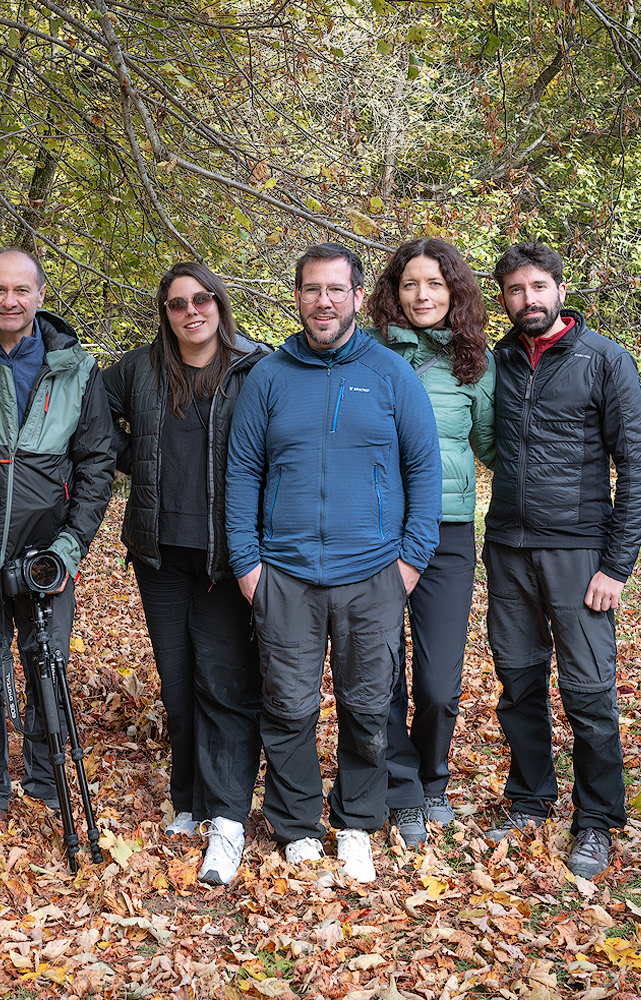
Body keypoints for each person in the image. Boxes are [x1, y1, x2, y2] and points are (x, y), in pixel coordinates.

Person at [225, 243, 442, 883]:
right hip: (284, 573)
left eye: (335, 290)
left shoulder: (390, 373)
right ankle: (296, 826)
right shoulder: (269, 376)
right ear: (298, 297)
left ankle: (356, 822)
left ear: (354, 296)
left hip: (374, 573)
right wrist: (247, 565)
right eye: (311, 289)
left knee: (367, 704)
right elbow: (241, 472)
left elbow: (424, 470)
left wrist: (410, 562)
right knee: (288, 705)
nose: (324, 301)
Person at [481, 241, 641, 881]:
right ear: (503, 298)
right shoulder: (496, 359)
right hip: (507, 549)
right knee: (519, 683)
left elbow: (638, 469)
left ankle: (596, 820)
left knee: (587, 689)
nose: (527, 300)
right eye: (514, 290)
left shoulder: (604, 360)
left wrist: (616, 566)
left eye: (537, 287)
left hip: (580, 552)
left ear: (559, 287)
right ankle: (529, 800)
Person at [0, 248, 116, 850]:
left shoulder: (76, 369)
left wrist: (70, 547)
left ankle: (46, 776)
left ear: (40, 294)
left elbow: (96, 466)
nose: (10, 301)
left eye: (21, 290)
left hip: (45, 554)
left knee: (48, 668)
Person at [103, 262, 271, 886]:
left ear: (220, 304)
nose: (191, 312)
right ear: (165, 312)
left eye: (202, 300)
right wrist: (132, 462)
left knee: (225, 685)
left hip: (229, 559)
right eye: (177, 304)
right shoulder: (140, 370)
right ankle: (189, 800)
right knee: (178, 688)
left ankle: (228, 816)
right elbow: (93, 410)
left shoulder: (253, 369)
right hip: (161, 556)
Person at [365, 238, 495, 849]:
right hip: (375, 535)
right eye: (411, 284)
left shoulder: (476, 365)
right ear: (393, 292)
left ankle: (434, 775)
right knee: (383, 670)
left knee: (439, 680)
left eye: (436, 285)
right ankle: (404, 791)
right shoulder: (365, 357)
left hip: (446, 534)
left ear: (454, 294)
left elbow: (499, 446)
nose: (422, 296)